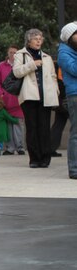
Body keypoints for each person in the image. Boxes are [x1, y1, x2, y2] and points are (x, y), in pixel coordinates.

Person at [13, 28, 59, 168]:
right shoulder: (20, 55)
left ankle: (45, 158)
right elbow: (16, 72)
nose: (39, 41)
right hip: (29, 97)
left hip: (46, 97)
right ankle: (34, 159)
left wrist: (55, 91)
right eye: (35, 38)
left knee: (44, 128)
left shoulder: (47, 57)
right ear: (29, 40)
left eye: (40, 38)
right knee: (32, 128)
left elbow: (53, 76)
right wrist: (33, 64)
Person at [0, 45, 25, 155]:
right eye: (11, 52)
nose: (13, 54)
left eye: (15, 52)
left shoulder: (21, 66)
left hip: (18, 100)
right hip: (6, 100)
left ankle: (20, 146)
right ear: (8, 53)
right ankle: (10, 147)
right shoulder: (2, 66)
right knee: (8, 125)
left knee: (18, 124)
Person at [58, 21, 77, 179]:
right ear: (70, 37)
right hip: (75, 95)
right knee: (76, 133)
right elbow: (75, 70)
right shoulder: (64, 53)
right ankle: (74, 169)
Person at [50, 62, 67, 158]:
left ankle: (51, 148)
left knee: (58, 124)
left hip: (60, 101)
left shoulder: (57, 66)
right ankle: (51, 148)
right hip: (65, 99)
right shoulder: (61, 67)